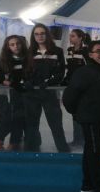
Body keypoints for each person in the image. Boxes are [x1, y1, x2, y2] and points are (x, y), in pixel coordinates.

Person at [63, 41, 100, 192]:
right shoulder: (84, 72)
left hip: (96, 115)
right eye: (98, 51)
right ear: (90, 54)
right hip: (90, 117)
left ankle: (87, 184)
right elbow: (69, 96)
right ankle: (99, 189)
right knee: (94, 151)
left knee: (90, 149)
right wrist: (77, 112)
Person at [24, 23, 70, 153]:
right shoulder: (29, 52)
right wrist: (28, 82)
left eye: (42, 33)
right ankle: (30, 151)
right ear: (33, 36)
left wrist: (49, 82)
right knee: (32, 124)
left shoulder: (57, 51)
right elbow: (25, 71)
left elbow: (61, 72)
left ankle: (63, 150)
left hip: (49, 93)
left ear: (47, 35)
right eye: (36, 34)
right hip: (32, 94)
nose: (40, 36)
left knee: (56, 124)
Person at [0, 36, 30, 152]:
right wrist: (8, 82)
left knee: (19, 118)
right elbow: (0, 77)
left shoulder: (27, 59)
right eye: (12, 44)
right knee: (5, 117)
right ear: (7, 46)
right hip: (5, 95)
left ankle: (14, 142)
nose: (15, 46)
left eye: (17, 43)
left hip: (20, 94)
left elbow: (28, 76)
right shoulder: (4, 60)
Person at [63, 29, 90, 147]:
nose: (70, 38)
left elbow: (88, 68)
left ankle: (85, 139)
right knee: (74, 113)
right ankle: (77, 139)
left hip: (83, 87)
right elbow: (69, 67)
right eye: (70, 36)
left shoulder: (86, 51)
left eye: (73, 36)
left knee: (83, 113)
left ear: (80, 38)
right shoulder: (69, 50)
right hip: (73, 85)